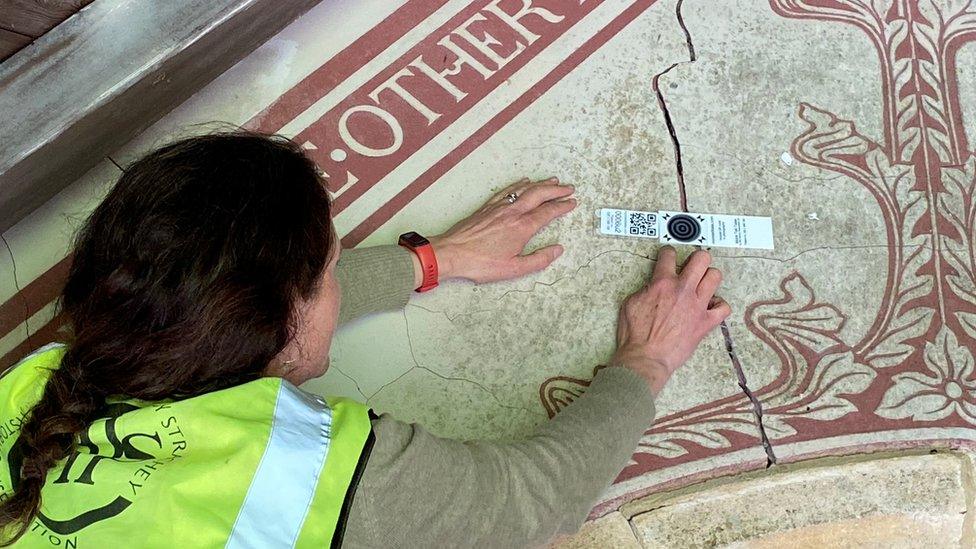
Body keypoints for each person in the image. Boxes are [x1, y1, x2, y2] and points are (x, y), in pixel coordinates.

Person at [0, 132, 730, 548]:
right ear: (274, 334)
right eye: (328, 272)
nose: (341, 280)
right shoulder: (312, 480)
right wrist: (647, 358)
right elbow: (529, 500)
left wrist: (429, 261)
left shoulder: (36, 380)